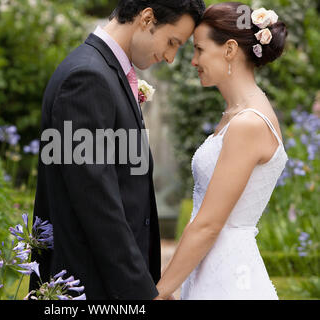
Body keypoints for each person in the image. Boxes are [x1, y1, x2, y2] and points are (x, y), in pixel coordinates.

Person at [31, 0, 205, 299]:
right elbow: (97, 204)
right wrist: (142, 292)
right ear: (147, 18)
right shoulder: (87, 78)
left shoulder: (106, 72)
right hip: (89, 285)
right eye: (172, 42)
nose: (171, 57)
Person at [155, 2, 288, 299]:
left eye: (199, 49)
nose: (193, 61)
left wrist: (158, 292)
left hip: (228, 280)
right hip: (211, 268)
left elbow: (208, 224)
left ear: (229, 49)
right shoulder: (237, 115)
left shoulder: (248, 124)